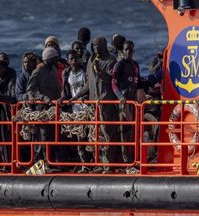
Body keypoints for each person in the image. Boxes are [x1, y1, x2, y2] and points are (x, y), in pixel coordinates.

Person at [72, 37, 120, 166]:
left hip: (106, 103)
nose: (95, 49)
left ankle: (108, 164)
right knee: (95, 134)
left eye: (98, 46)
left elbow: (112, 79)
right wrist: (77, 96)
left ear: (104, 46)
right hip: (93, 104)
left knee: (108, 133)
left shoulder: (111, 60)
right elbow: (89, 83)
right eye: (93, 46)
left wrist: (100, 71)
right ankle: (97, 162)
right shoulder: (91, 60)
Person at [27, 46, 62, 166]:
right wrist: (43, 98)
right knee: (43, 137)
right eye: (55, 58)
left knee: (53, 136)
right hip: (42, 110)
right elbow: (30, 90)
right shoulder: (38, 71)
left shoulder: (53, 69)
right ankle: (44, 162)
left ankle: (52, 161)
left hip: (53, 109)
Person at [60, 50, 91, 165]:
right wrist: (62, 99)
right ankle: (84, 163)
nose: (74, 61)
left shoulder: (84, 72)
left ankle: (90, 162)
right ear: (67, 61)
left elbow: (89, 87)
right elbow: (65, 91)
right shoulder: (66, 73)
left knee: (89, 135)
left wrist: (86, 97)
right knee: (79, 137)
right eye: (71, 59)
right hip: (75, 109)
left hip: (86, 109)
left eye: (76, 58)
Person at [112, 40, 140, 165]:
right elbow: (114, 83)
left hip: (134, 104)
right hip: (124, 104)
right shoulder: (119, 65)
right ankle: (126, 161)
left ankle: (134, 158)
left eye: (131, 50)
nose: (129, 52)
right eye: (126, 49)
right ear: (123, 51)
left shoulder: (135, 65)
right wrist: (120, 96)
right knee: (124, 131)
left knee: (133, 131)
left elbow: (138, 82)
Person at [0, 60, 17, 163]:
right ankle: (6, 162)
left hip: (12, 113)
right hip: (1, 113)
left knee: (14, 138)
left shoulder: (12, 81)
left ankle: (14, 161)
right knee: (3, 139)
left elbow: (14, 98)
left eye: (0, 68)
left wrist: (0, 98)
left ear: (5, 69)